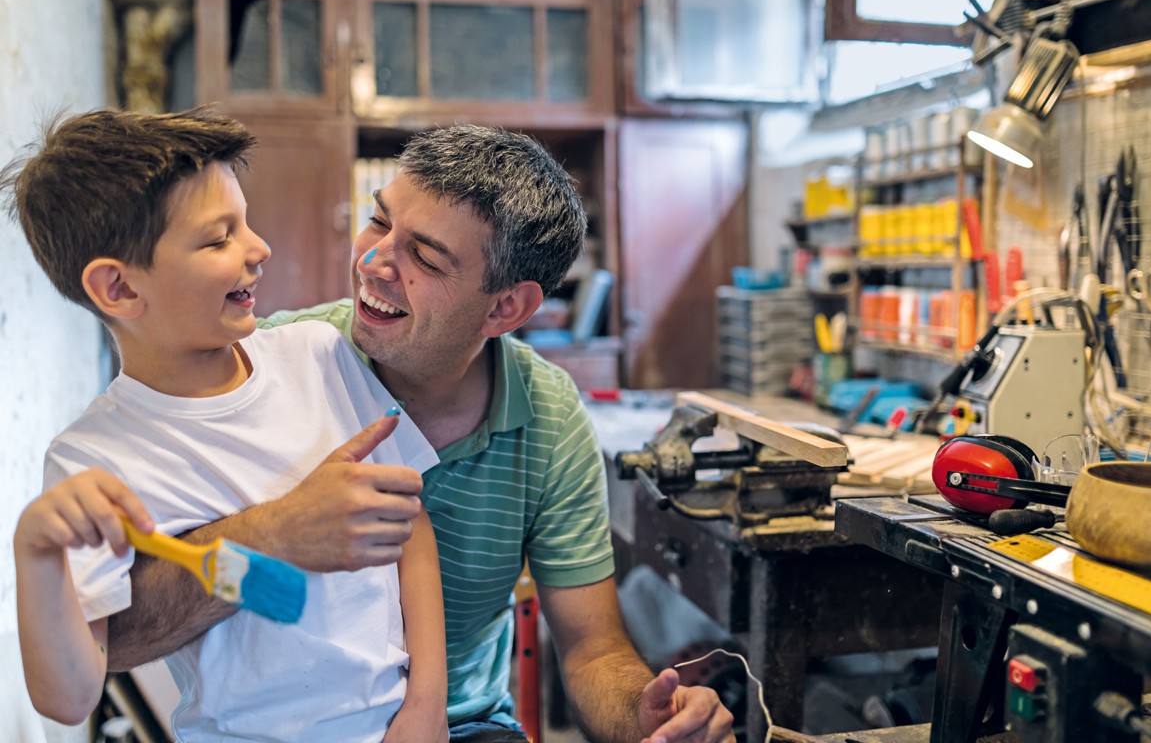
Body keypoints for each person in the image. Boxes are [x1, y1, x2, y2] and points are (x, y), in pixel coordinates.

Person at [106, 124, 736, 742]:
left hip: (465, 724)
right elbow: (115, 638)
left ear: (504, 308)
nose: (374, 264)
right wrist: (275, 534)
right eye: (379, 222)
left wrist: (647, 715)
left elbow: (592, 650)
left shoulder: (547, 415)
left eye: (426, 257)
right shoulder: (271, 364)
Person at [5, 108, 447, 742]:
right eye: (218, 239)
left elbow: (410, 526)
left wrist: (427, 707)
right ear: (120, 290)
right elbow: (71, 697)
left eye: (246, 223)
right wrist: (37, 554)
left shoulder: (317, 354)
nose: (258, 248)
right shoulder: (93, 460)